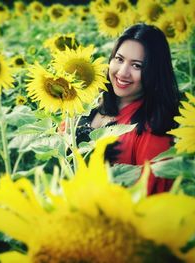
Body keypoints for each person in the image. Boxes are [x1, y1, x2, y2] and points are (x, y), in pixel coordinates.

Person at [76, 23, 180, 195]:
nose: (122, 72)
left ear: (154, 72)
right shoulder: (92, 101)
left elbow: (146, 198)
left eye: (136, 65)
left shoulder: (152, 129)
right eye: (119, 59)